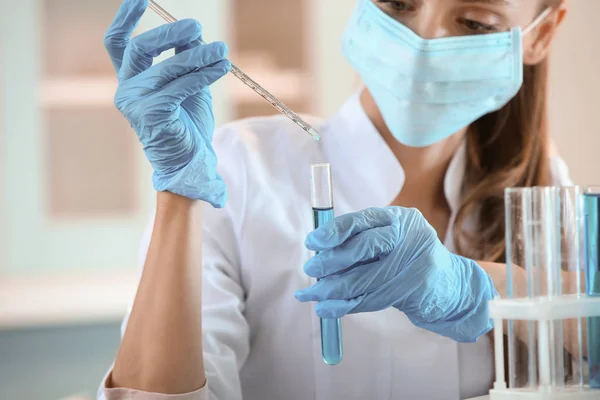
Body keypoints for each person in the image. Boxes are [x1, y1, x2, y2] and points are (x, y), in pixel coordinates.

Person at [98, 0, 571, 399]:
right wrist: (178, 196)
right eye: (399, 1)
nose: (424, 41)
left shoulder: (541, 190)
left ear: (540, 34)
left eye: (474, 23)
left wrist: (487, 290)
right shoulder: (239, 169)